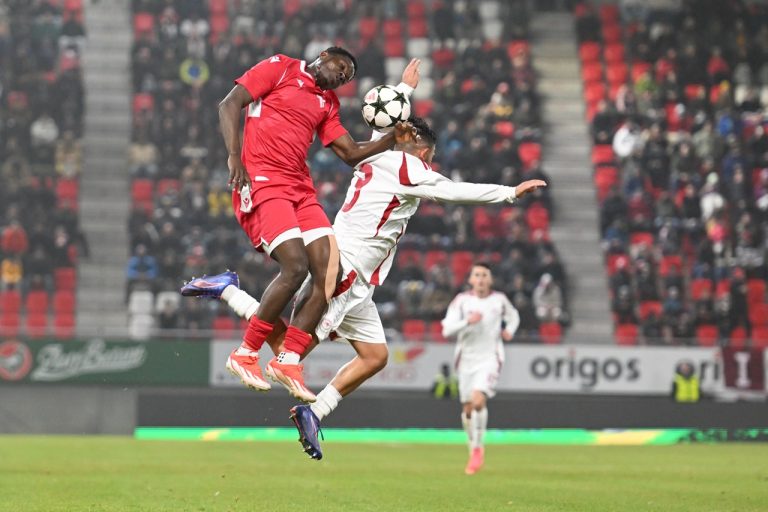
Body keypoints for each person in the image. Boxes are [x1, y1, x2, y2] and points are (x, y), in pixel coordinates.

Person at [183, 117, 546, 459]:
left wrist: (404, 90)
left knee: (375, 355)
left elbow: (385, 118)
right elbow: (455, 192)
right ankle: (228, 290)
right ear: (422, 152)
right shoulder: (411, 167)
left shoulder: (377, 151)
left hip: (358, 276)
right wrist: (510, 193)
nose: (430, 166)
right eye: (431, 158)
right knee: (285, 350)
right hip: (347, 271)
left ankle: (314, 412)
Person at [185, 48, 421, 403]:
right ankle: (245, 353)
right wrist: (234, 154)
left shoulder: (327, 105)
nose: (341, 77)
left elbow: (350, 154)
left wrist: (391, 139)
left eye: (346, 77)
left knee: (331, 270)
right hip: (265, 182)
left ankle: (288, 360)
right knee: (295, 267)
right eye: (340, 68)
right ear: (323, 56)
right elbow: (229, 104)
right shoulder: (280, 68)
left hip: (300, 189)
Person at [442, 263, 520, 475]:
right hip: (466, 359)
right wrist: (467, 321)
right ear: (471, 280)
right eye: (477, 275)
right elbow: (447, 329)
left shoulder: (500, 300)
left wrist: (509, 330)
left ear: (490, 280)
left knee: (478, 400)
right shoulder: (462, 301)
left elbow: (514, 316)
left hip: (490, 357)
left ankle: (478, 449)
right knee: (467, 410)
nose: (481, 278)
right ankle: (472, 448)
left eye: (485, 275)